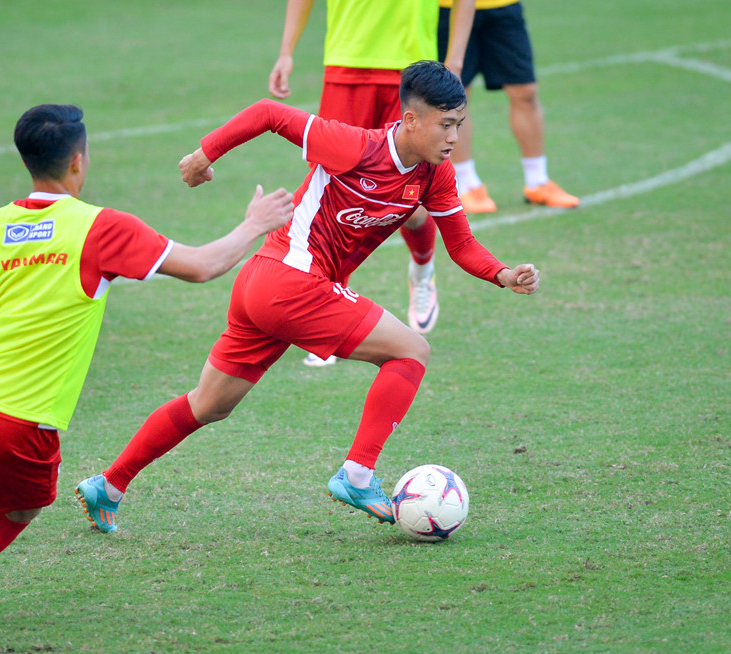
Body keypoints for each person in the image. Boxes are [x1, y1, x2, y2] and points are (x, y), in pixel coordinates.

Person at [0, 104, 294, 623]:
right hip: (20, 411)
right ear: (78, 163)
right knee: (12, 514)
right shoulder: (99, 227)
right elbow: (202, 267)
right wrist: (254, 225)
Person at [75, 61, 539, 535]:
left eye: (459, 125)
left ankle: (108, 485)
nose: (454, 138)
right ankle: (357, 474)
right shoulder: (355, 146)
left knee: (209, 404)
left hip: (266, 285)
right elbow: (268, 113)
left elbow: (460, 245)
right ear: (412, 120)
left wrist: (501, 273)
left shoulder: (433, 175)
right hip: (290, 282)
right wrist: (203, 155)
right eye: (446, 125)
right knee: (412, 351)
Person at [267, 0, 476, 361]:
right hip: (346, 65)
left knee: (410, 203)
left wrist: (455, 60)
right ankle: (328, 305)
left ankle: (423, 269)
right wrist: (287, 50)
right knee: (332, 192)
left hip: (412, 72)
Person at [437, 0, 579, 213]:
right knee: (456, 95)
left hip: (503, 6)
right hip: (448, 8)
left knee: (526, 92)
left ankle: (537, 181)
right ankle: (466, 184)